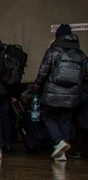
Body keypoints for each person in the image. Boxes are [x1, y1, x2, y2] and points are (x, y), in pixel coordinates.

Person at [30, 24, 87, 161]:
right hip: (72, 95)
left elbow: (43, 72)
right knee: (65, 120)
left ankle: (59, 141)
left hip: (52, 93)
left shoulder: (53, 51)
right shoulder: (80, 54)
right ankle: (62, 154)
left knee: (46, 116)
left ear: (58, 36)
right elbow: (85, 73)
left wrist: (36, 90)